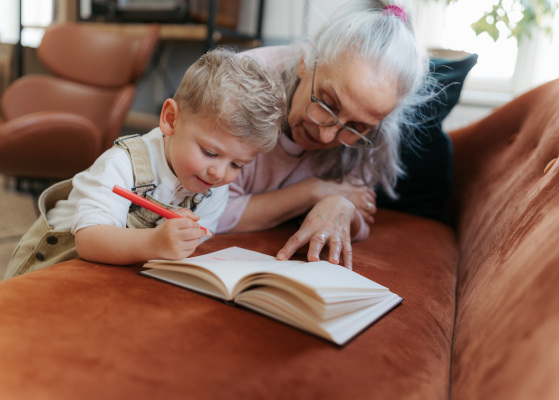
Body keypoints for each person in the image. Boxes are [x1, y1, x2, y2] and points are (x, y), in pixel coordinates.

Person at [5, 48, 287, 279]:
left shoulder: (213, 188)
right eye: (210, 152)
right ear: (171, 120)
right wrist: (155, 243)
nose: (219, 172)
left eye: (238, 165)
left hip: (111, 277)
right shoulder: (123, 163)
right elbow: (89, 240)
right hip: (51, 268)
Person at [216, 1, 431, 269]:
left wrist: (341, 205)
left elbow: (360, 214)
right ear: (306, 62)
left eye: (357, 127)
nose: (328, 137)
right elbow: (205, 209)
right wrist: (315, 190)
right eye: (328, 103)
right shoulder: (238, 86)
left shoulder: (373, 135)